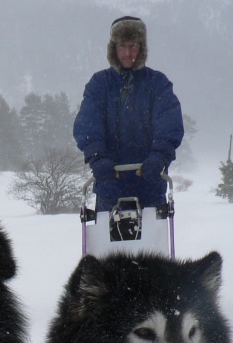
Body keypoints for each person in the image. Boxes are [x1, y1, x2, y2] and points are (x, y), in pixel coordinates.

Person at [73, 16, 184, 212]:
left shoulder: (157, 84)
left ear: (141, 49)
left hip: (150, 184)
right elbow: (88, 124)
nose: (127, 53)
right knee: (108, 243)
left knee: (152, 243)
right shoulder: (99, 84)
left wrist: (159, 157)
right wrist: (97, 157)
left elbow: (169, 124)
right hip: (109, 184)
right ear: (113, 49)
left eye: (133, 46)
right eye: (122, 46)